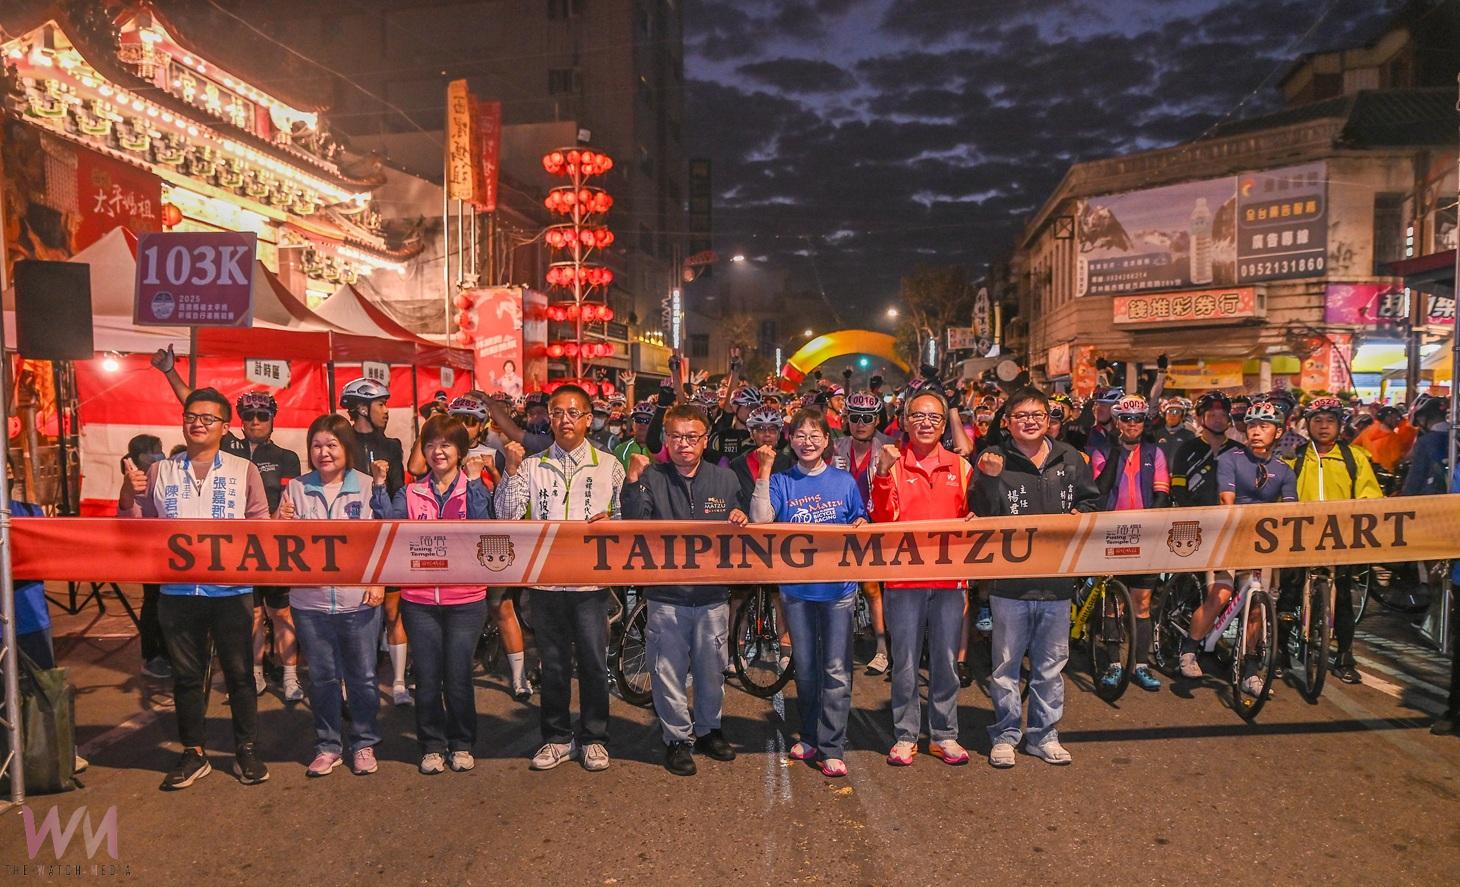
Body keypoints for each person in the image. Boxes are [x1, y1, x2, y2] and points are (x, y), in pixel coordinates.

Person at [122, 388, 271, 790]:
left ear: (225, 426)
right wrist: (128, 493)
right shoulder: (161, 471)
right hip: (177, 594)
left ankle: (247, 748)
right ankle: (194, 753)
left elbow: (260, 526)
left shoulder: (244, 471)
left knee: (240, 675)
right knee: (187, 677)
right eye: (191, 416)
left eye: (208, 417)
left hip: (231, 592)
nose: (198, 423)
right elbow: (139, 527)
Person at [495, 385, 625, 773]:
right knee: (551, 664)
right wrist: (511, 470)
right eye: (557, 413)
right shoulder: (533, 465)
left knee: (592, 662)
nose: (564, 420)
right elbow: (506, 516)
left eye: (573, 413)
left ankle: (594, 738)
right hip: (545, 582)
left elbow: (623, 518)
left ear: (588, 418)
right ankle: (555, 737)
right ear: (547, 418)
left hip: (590, 584)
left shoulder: (609, 465)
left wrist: (612, 523)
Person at [972, 387, 1100, 768]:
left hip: (1058, 582)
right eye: (1021, 415)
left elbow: (1092, 499)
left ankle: (1044, 735)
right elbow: (979, 514)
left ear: (1049, 420)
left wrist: (1082, 511)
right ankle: (1006, 734)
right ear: (1007, 422)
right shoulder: (993, 459)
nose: (1030, 421)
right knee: (1005, 666)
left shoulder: (1070, 458)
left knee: (1051, 667)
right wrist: (990, 480)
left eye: (1038, 415)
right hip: (1009, 585)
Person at [621, 404, 748, 776]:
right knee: (667, 671)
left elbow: (743, 523)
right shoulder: (651, 477)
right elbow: (632, 525)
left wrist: (740, 517)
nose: (683, 444)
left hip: (712, 597)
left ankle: (710, 729)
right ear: (665, 439)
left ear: (705, 440)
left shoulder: (725, 481)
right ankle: (677, 738)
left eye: (692, 437)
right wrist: (631, 482)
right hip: (666, 596)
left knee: (712, 669)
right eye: (675, 436)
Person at [373, 415, 495, 774]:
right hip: (419, 599)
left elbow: (482, 527)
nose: (437, 451)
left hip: (467, 599)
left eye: (446, 444)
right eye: (430, 444)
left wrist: (474, 483)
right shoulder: (411, 492)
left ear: (460, 450)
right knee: (426, 675)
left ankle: (461, 742)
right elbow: (388, 528)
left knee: (457, 674)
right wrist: (380, 486)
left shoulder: (473, 485)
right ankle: (431, 744)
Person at [751, 409, 867, 776]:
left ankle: (833, 746)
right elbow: (760, 518)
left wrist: (862, 522)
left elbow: (859, 520)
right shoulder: (783, 481)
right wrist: (765, 471)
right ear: (791, 440)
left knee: (835, 670)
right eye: (800, 435)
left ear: (827, 441)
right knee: (806, 668)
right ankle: (811, 734)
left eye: (815, 434)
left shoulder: (845, 482)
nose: (807, 441)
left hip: (838, 591)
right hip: (797, 592)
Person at [869, 389, 974, 767]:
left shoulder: (961, 467)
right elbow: (882, 519)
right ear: (905, 421)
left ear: (944, 425)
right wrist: (881, 473)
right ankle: (905, 734)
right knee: (906, 661)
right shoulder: (892, 462)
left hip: (948, 580)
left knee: (945, 661)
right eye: (918, 416)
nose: (926, 423)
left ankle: (945, 734)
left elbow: (974, 515)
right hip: (903, 580)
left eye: (934, 417)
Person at [276, 414, 385, 777]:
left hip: (359, 600)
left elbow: (381, 539)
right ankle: (327, 745)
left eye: (332, 445)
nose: (323, 452)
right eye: (317, 446)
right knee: (322, 677)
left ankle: (365, 742)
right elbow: (280, 543)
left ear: (346, 448)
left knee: (363, 676)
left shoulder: (368, 486)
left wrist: (378, 581)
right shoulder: (295, 488)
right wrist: (279, 522)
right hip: (310, 602)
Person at [1179, 400, 1297, 688]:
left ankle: (1251, 668)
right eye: (1252, 425)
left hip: (1264, 543)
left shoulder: (1285, 470)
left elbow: (1292, 510)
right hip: (1229, 537)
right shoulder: (1230, 458)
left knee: (1258, 606)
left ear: (1278, 433)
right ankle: (1190, 649)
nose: (1256, 431)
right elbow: (1226, 499)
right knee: (1220, 594)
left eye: (1264, 426)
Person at [1285, 396, 1383, 685]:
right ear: (1308, 425)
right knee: (1289, 596)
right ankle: (1279, 654)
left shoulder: (1355, 458)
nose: (1324, 426)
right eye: (1317, 420)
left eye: (1330, 421)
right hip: (1300, 539)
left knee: (1343, 601)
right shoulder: (1296, 457)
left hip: (1341, 539)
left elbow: (1370, 495)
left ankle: (1345, 657)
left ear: (1340, 425)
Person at [339, 376, 411, 705]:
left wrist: (394, 525)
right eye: (381, 404)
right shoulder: (341, 441)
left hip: (385, 535)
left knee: (394, 610)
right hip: (351, 539)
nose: (387, 410)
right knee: (351, 614)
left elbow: (399, 491)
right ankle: (347, 684)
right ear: (362, 408)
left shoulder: (392, 445)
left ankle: (397, 682)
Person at [1089, 395, 1169, 692]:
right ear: (1117, 420)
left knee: (1142, 603)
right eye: (1126, 418)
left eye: (1137, 419)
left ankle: (1140, 664)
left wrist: (1151, 526)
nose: (1132, 424)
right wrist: (1115, 451)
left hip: (1145, 533)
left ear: (1144, 421)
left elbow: (1161, 494)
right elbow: (1100, 488)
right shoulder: (1100, 450)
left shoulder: (1154, 453)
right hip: (1112, 531)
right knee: (1112, 603)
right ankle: (1112, 663)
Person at [832, 392, 892, 674]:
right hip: (839, 526)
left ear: (876, 420)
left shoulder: (889, 448)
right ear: (846, 420)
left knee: (871, 587)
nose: (860, 423)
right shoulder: (834, 447)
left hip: (874, 525)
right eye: (854, 417)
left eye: (867, 418)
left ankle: (882, 649)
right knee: (834, 588)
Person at [118, 433, 171, 679]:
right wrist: (128, 494)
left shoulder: (163, 476)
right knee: (153, 605)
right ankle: (152, 656)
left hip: (170, 554)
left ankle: (169, 653)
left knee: (168, 605)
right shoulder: (135, 483)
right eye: (156, 450)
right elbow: (130, 520)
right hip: (150, 557)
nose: (161, 454)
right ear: (141, 456)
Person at [1169, 391, 1243, 508]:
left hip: (1233, 519)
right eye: (1212, 415)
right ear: (1199, 418)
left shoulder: (1240, 450)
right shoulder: (1185, 450)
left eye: (1223, 415)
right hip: (1196, 520)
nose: (1218, 420)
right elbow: (1178, 489)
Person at [1401, 394, 1451, 495]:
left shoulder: (1425, 442)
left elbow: (1415, 478)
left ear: (1423, 417)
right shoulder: (1455, 435)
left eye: (1418, 421)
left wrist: (1404, 499)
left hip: (1434, 499)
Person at [613, 401, 658, 469]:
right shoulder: (621, 450)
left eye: (647, 421)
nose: (642, 425)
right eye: (638, 420)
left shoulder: (662, 451)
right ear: (632, 424)